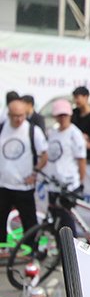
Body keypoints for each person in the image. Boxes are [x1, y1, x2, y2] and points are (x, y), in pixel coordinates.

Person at [0, 98, 48, 251]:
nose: (18, 119)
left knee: (29, 221)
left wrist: (34, 173)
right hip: (3, 184)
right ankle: (2, 249)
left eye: (21, 115)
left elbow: (44, 155)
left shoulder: (32, 130)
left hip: (24, 185)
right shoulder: (2, 128)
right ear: (8, 114)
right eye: (14, 115)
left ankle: (31, 250)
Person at [44, 99, 87, 235]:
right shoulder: (53, 133)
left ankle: (71, 253)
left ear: (69, 115)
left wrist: (81, 182)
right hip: (53, 184)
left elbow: (81, 160)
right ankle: (60, 253)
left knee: (67, 223)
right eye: (59, 115)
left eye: (65, 115)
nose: (62, 118)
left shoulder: (75, 134)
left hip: (68, 185)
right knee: (55, 221)